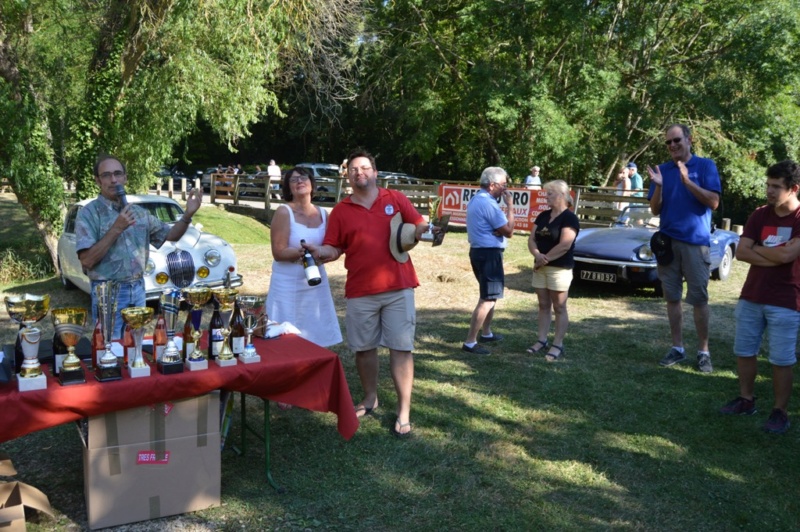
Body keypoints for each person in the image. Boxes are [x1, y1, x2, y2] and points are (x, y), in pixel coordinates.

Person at [317, 149, 427, 438]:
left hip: (398, 287)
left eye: (365, 167)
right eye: (353, 169)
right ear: (347, 175)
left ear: (375, 172)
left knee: (401, 348)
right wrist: (320, 252)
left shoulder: (395, 199)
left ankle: (404, 412)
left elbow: (418, 224)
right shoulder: (341, 211)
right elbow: (334, 246)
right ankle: (370, 398)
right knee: (364, 349)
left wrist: (425, 231)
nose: (359, 173)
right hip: (360, 290)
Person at [75, 154, 203, 338]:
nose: (113, 180)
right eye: (106, 175)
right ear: (97, 181)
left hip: (138, 290)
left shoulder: (139, 213)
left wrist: (188, 214)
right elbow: (86, 260)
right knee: (111, 349)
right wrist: (117, 228)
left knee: (136, 347)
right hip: (108, 293)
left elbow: (171, 235)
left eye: (118, 174)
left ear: (125, 178)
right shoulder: (89, 214)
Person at [719, 160, 800, 434]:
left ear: (793, 189)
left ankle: (779, 412)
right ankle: (746, 400)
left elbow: (789, 255)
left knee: (781, 359)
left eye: (776, 187)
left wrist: (761, 249)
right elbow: (741, 252)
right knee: (744, 351)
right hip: (752, 295)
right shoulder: (759, 215)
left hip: (787, 299)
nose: (769, 191)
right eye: (768, 185)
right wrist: (776, 255)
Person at [647, 123, 721, 372]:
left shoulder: (705, 166)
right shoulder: (661, 170)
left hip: (695, 244)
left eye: (676, 140)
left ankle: (703, 351)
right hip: (667, 243)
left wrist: (687, 181)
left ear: (689, 140)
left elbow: (713, 202)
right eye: (668, 142)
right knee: (672, 298)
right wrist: (658, 185)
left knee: (699, 299)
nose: (672, 146)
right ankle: (677, 348)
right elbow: (655, 209)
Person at [266, 166, 342, 347]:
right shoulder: (284, 212)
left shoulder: (324, 214)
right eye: (293, 180)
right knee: (284, 340)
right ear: (288, 188)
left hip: (316, 282)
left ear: (312, 184)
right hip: (287, 283)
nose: (299, 181)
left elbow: (331, 246)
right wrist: (302, 252)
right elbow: (278, 253)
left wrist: (322, 252)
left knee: (316, 334)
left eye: (303, 178)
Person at [462, 167, 516, 355]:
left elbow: (500, 228)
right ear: (492, 185)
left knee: (490, 295)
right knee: (488, 298)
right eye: (503, 185)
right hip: (488, 254)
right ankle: (470, 342)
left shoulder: (477, 199)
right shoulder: (489, 204)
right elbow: (509, 230)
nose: (505, 190)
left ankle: (486, 332)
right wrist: (510, 206)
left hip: (480, 252)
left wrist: (498, 230)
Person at [527, 180, 579, 362]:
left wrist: (544, 258)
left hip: (559, 269)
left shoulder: (569, 218)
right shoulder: (543, 215)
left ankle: (558, 344)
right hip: (540, 267)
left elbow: (565, 245)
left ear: (563, 196)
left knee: (559, 306)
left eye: (550, 193)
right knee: (543, 305)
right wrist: (536, 254)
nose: (546, 196)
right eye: (546, 193)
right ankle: (541, 340)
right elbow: (531, 239)